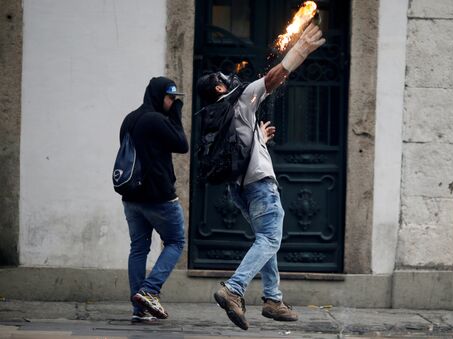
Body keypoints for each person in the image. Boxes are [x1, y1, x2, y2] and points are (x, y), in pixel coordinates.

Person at [196, 23, 325, 330]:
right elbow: (273, 78)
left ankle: (273, 299)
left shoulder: (219, 114)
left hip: (239, 189)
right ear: (218, 88)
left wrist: (260, 140)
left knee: (266, 240)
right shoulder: (239, 99)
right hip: (260, 186)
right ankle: (233, 289)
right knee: (269, 239)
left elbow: (236, 147)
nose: (230, 79)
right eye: (223, 79)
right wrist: (299, 51)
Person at [118, 76, 189, 323]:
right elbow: (182, 144)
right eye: (171, 98)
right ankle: (149, 291)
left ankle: (139, 309)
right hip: (158, 197)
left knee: (138, 248)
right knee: (176, 241)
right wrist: (177, 114)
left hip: (131, 197)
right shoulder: (156, 120)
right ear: (159, 96)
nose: (172, 102)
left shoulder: (130, 118)